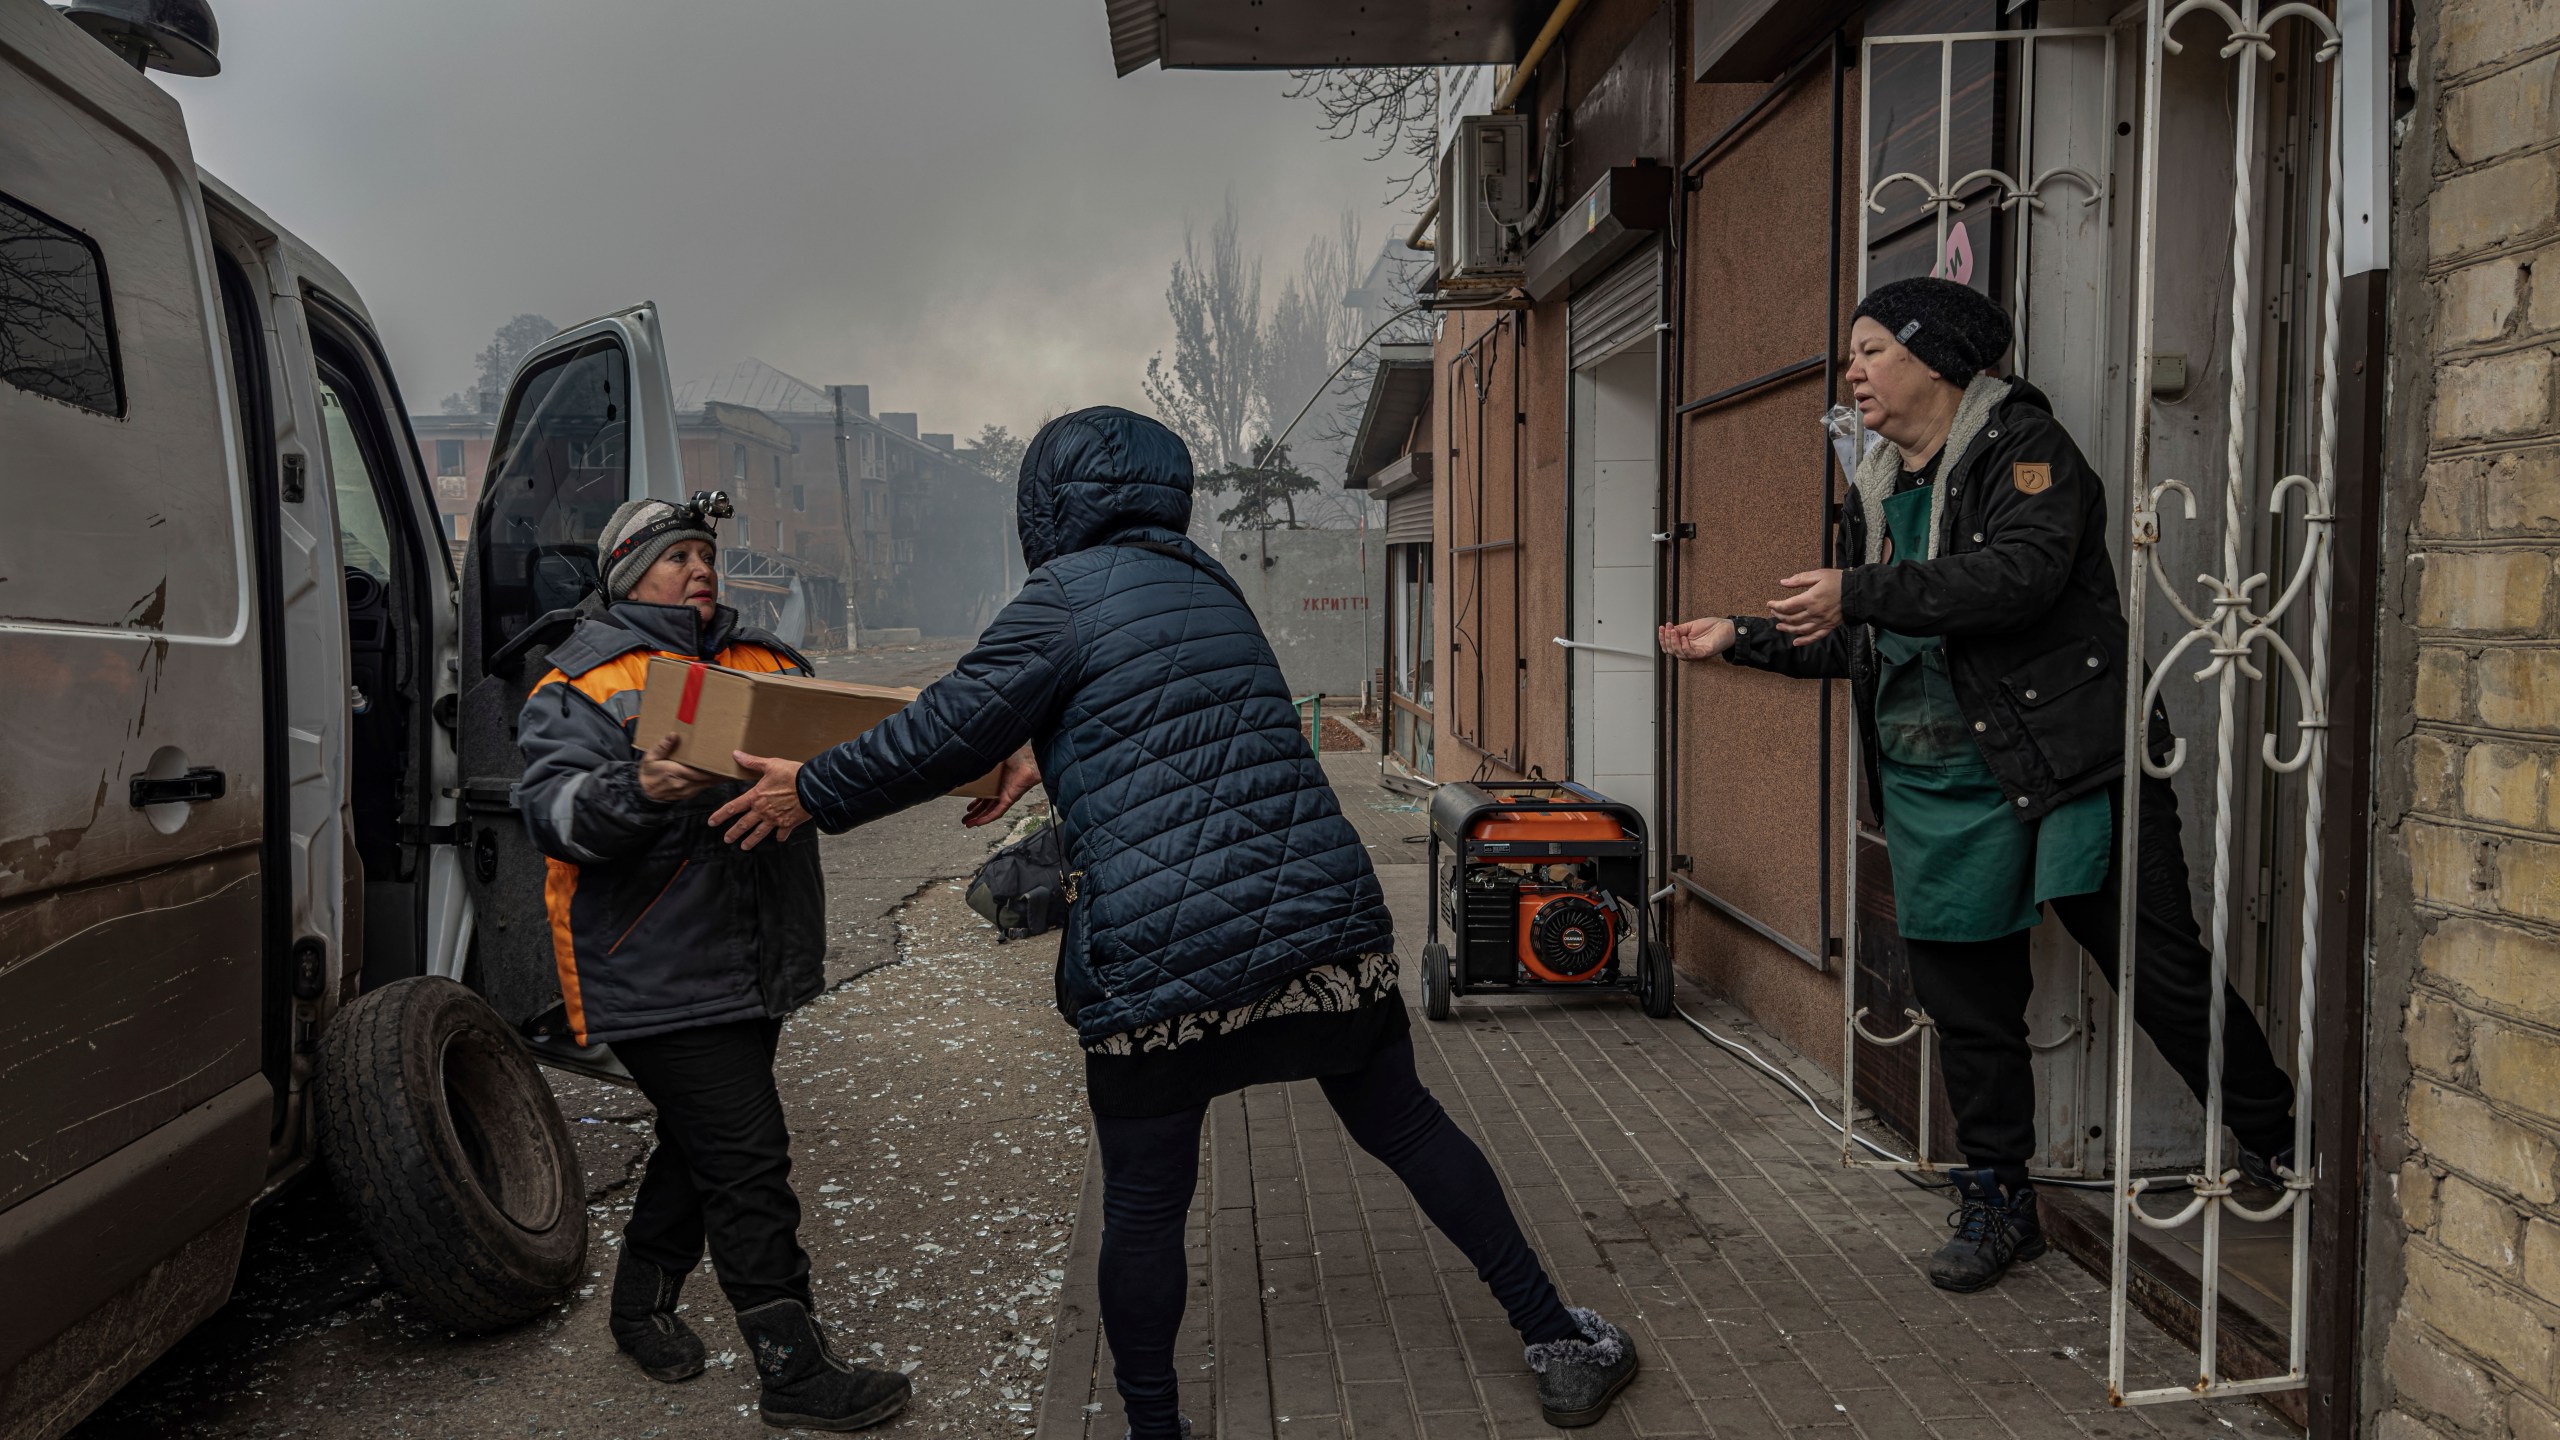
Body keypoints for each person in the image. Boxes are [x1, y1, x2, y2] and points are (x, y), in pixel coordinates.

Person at [706, 408, 1641, 1435]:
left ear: (1048, 505)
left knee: (1147, 1202)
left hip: (1160, 961)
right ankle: (1555, 1338)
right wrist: (1041, 752)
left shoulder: (1060, 594)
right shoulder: (1207, 582)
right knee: (1407, 1125)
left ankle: (1155, 1427)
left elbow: (941, 727)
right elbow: (1158, 707)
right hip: (1316, 933)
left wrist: (813, 792)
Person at [1657, 277, 2299, 1294]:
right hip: (1934, 788)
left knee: (2159, 973)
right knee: (1971, 1014)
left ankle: (2279, 1141)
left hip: (2066, 766)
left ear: (1936, 360)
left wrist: (1857, 591)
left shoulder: (2028, 453)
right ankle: (2000, 1199)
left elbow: (2018, 579)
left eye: (1870, 349)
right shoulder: (1871, 487)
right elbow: (1868, 642)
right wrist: (1744, 638)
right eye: (1851, 353)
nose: (1852, 371)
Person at [514, 494, 910, 1431]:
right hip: (653, 962)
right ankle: (793, 1372)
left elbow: (845, 757)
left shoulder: (765, 662)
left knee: (705, 1146)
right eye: (676, 556)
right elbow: (553, 815)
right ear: (626, 575)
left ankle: (638, 1304)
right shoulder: (581, 682)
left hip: (754, 958)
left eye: (705, 554)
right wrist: (643, 783)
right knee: (747, 1162)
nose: (700, 569)